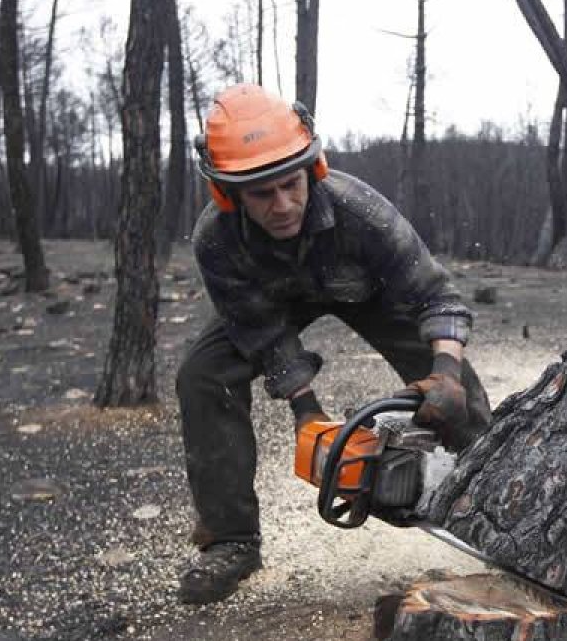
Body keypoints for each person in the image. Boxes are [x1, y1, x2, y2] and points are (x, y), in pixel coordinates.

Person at [175, 83, 491, 605]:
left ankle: (496, 494)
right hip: (274, 300)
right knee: (202, 376)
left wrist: (447, 374)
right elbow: (260, 331)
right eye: (262, 194)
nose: (282, 205)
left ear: (312, 170)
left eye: (291, 185)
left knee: (460, 399)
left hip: (366, 289)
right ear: (229, 194)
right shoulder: (216, 237)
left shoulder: (359, 211)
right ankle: (230, 541)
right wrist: (307, 411)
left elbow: (436, 296)